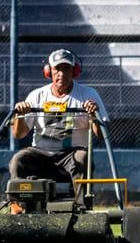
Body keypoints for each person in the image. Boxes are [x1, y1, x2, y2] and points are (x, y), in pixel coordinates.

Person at [9, 48, 109, 184]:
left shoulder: (89, 95)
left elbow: (102, 135)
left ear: (74, 71)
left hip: (72, 154)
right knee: (18, 160)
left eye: (66, 68)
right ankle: (18, 203)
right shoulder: (37, 96)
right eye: (57, 69)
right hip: (40, 154)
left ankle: (81, 204)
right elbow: (18, 134)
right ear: (49, 71)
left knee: (83, 158)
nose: (61, 74)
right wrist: (19, 115)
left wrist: (93, 115)